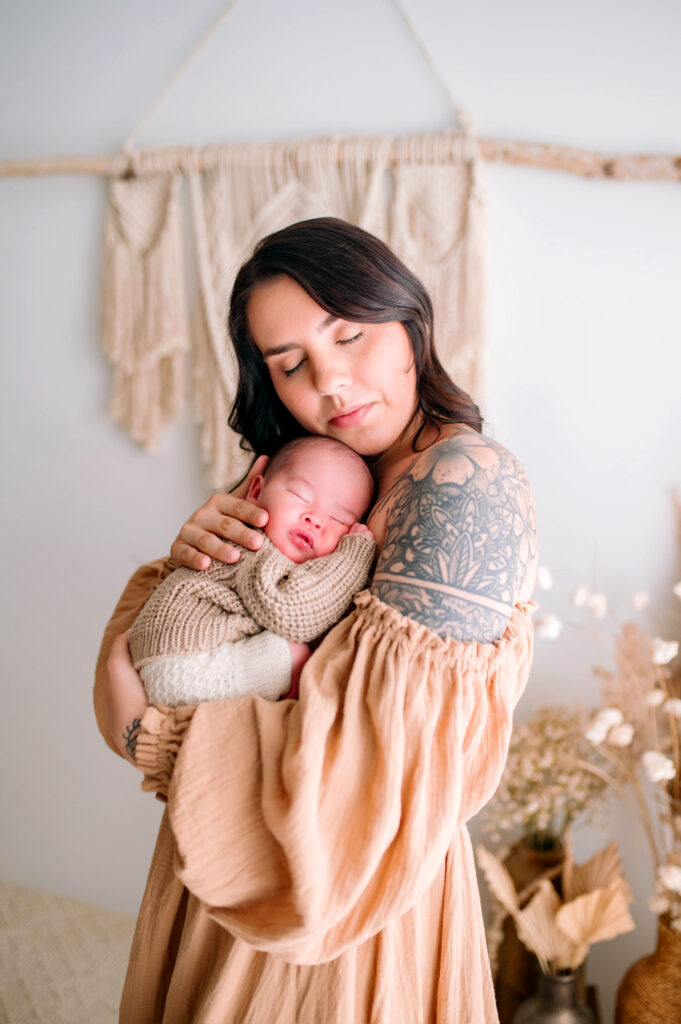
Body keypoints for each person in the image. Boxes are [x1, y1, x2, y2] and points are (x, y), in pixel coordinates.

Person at [96, 217, 538, 1024]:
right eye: (292, 364)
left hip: (343, 912)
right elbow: (167, 632)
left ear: (409, 320)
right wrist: (184, 565)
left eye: (350, 336)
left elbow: (356, 795)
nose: (330, 384)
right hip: (216, 870)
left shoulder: (461, 483)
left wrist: (144, 732)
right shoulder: (325, 473)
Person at [129, 435, 375, 714]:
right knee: (294, 655)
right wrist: (353, 556)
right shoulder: (249, 545)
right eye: (300, 496)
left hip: (179, 662)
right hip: (181, 666)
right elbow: (293, 612)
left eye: (338, 519)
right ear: (256, 491)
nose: (315, 519)